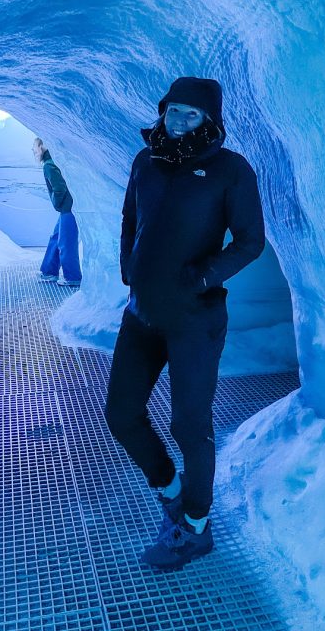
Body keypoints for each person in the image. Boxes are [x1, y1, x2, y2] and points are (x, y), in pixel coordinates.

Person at [105, 77, 265, 570]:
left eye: (189, 113)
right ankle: (172, 492)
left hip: (195, 319)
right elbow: (130, 219)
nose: (176, 121)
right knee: (121, 414)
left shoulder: (230, 170)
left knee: (189, 425)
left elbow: (250, 241)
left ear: (209, 119)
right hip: (142, 313)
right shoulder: (145, 162)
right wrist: (129, 267)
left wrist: (200, 277)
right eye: (172, 110)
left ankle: (195, 527)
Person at [32, 138, 82, 287]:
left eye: (35, 147)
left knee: (66, 242)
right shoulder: (53, 161)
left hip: (68, 208)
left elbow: (59, 187)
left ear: (42, 147)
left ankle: (73, 277)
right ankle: (49, 272)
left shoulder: (49, 165)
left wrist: (57, 204)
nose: (33, 150)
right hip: (67, 207)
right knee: (56, 238)